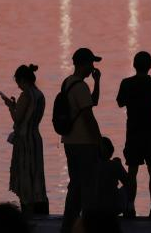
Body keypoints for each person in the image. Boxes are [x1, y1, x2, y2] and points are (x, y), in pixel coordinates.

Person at [115, 51, 151, 219]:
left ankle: (130, 207)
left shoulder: (126, 83)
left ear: (134, 65)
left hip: (133, 132)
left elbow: (119, 102)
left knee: (132, 171)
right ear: (150, 65)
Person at [61, 48, 104, 233]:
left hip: (69, 141)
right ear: (83, 64)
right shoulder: (80, 86)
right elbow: (88, 116)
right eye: (91, 64)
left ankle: (68, 225)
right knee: (88, 188)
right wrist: (99, 141)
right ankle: (87, 226)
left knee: (75, 185)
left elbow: (92, 102)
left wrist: (97, 82)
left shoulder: (68, 83)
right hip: (84, 143)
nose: (92, 68)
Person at [4, 63, 49, 216]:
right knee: (36, 175)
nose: (17, 86)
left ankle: (28, 213)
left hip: (24, 141)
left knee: (25, 175)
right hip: (36, 138)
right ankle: (39, 211)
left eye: (17, 82)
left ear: (22, 79)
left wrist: (11, 107)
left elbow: (18, 118)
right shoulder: (40, 95)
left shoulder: (26, 95)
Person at [96, 137, 128, 216]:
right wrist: (120, 165)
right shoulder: (115, 165)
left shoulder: (89, 165)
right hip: (113, 207)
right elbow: (128, 182)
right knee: (129, 186)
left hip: (93, 207)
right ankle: (128, 210)